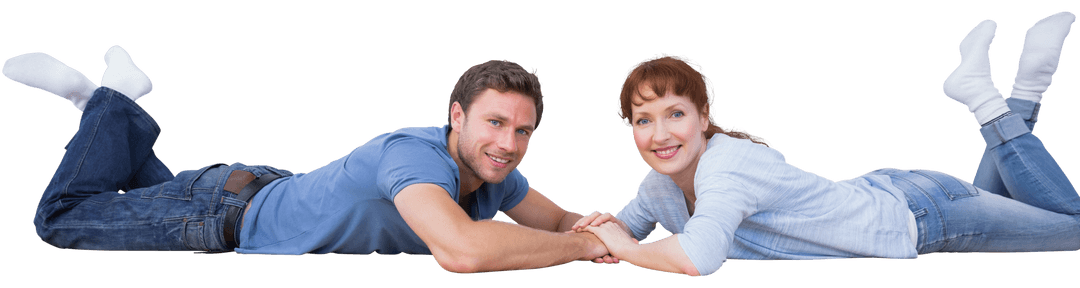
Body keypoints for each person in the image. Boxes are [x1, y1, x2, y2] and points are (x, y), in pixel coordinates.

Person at [3, 47, 615, 273]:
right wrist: (583, 248)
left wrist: (600, 230)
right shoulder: (414, 156)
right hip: (225, 214)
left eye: (523, 131)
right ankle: (109, 100)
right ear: (457, 116)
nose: (508, 143)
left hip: (257, 192)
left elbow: (562, 221)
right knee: (61, 217)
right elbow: (463, 251)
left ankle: (103, 106)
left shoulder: (493, 174)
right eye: (495, 123)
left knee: (131, 196)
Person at [572, 11, 1079, 276]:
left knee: (1076, 228)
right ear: (631, 129)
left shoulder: (727, 168)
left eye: (675, 114)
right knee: (1024, 205)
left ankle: (985, 99)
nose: (659, 135)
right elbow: (621, 229)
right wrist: (600, 231)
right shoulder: (658, 187)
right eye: (643, 120)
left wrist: (624, 247)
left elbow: (697, 258)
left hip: (925, 218)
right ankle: (1027, 86)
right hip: (905, 195)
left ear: (704, 117)